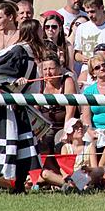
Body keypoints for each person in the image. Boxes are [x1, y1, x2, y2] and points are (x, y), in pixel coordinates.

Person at [0, 19, 46, 193]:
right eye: (41, 29)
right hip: (6, 109)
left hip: (20, 107)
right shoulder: (18, 50)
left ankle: (18, 188)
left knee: (23, 151)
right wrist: (12, 81)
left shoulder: (31, 52)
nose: (43, 33)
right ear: (34, 32)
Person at [37, 57, 77, 188]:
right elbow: (35, 110)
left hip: (64, 124)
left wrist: (66, 130)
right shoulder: (40, 83)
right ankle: (57, 178)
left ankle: (62, 177)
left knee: (59, 140)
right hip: (45, 126)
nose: (48, 72)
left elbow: (70, 110)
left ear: (59, 69)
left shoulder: (67, 81)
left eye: (51, 68)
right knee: (41, 140)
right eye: (45, 69)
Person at [73, 0, 105, 75]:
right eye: (87, 12)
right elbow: (76, 54)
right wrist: (82, 58)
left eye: (92, 11)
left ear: (102, 8)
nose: (90, 15)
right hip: (87, 75)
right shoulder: (82, 28)